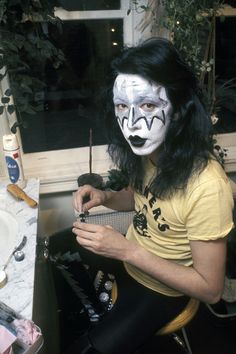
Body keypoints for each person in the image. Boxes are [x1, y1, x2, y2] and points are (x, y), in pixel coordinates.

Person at [51, 38, 234, 354]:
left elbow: (211, 290)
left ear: (177, 110)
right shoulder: (151, 152)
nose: (132, 124)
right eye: (123, 107)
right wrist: (105, 197)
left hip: (164, 287)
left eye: (148, 105)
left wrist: (125, 251)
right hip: (133, 255)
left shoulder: (208, 187)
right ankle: (90, 316)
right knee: (58, 246)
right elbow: (139, 200)